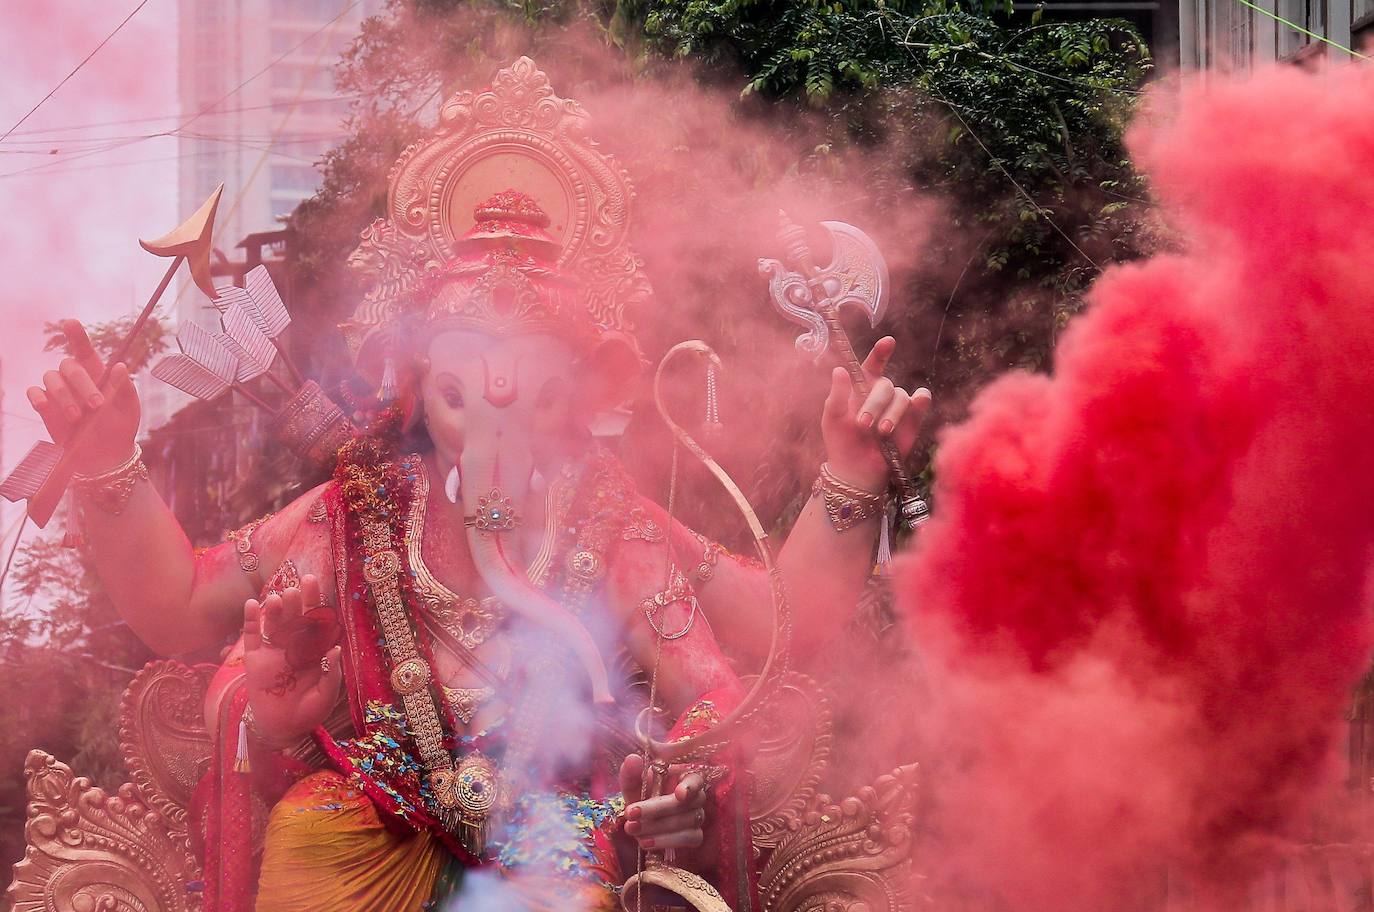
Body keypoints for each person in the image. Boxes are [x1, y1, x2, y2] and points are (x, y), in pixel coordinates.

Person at [24, 59, 928, 912]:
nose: (496, 415)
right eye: (461, 390)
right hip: (365, 801)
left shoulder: (611, 524)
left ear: (588, 388)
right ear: (418, 390)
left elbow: (762, 643)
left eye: (533, 386)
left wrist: (686, 776)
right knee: (304, 841)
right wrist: (108, 462)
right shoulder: (356, 511)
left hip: (552, 822)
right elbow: (184, 606)